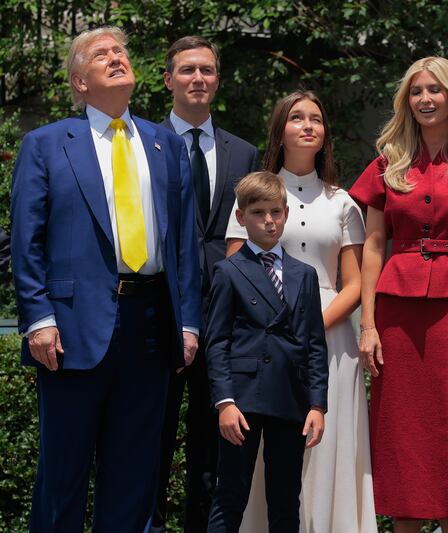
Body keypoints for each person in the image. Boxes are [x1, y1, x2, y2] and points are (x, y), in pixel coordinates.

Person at [9, 26, 201, 531]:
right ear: (79, 82)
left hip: (151, 326)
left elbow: (183, 244)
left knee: (135, 476)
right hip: (72, 329)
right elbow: (26, 242)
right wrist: (39, 318)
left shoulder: (165, 145)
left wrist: (189, 323)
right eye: (101, 54)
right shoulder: (46, 144)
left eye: (121, 51)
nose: (117, 57)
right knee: (63, 476)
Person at [349, 56, 448, 533]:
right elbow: (374, 246)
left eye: (435, 90)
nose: (425, 99)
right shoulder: (386, 164)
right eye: (416, 91)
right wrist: (368, 324)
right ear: (406, 101)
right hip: (397, 314)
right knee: (402, 435)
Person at [225, 91, 378, 532]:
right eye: (297, 118)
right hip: (264, 342)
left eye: (316, 118)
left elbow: (356, 283)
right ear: (281, 130)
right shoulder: (254, 192)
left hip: (331, 343)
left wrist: (311, 324)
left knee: (329, 446)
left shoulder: (343, 202)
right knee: (267, 459)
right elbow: (236, 273)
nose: (308, 125)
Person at [153, 35, 260, 533]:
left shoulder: (244, 151)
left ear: (218, 80)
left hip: (223, 318)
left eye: (208, 71)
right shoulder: (139, 143)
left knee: (212, 451)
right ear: (169, 79)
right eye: (188, 70)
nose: (199, 79)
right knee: (147, 442)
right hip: (158, 315)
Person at [205, 171, 328, 532]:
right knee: (230, 494)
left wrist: (317, 404)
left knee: (286, 497)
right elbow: (217, 342)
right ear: (241, 217)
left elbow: (314, 345)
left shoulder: (303, 275)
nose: (269, 221)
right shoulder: (228, 271)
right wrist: (224, 402)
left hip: (290, 398)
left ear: (286, 213)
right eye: (258, 212)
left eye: (276, 211)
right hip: (242, 399)